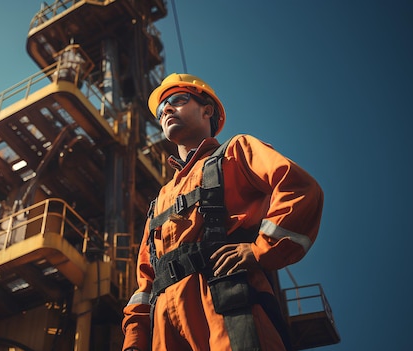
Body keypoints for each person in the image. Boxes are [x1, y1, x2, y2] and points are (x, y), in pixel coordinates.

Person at [121, 73, 323, 351]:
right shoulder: (160, 201)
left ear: (207, 111)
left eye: (178, 100)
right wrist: (135, 341)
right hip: (165, 331)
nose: (166, 109)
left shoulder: (236, 152)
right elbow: (145, 284)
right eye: (161, 109)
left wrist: (260, 250)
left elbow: (300, 188)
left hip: (229, 304)